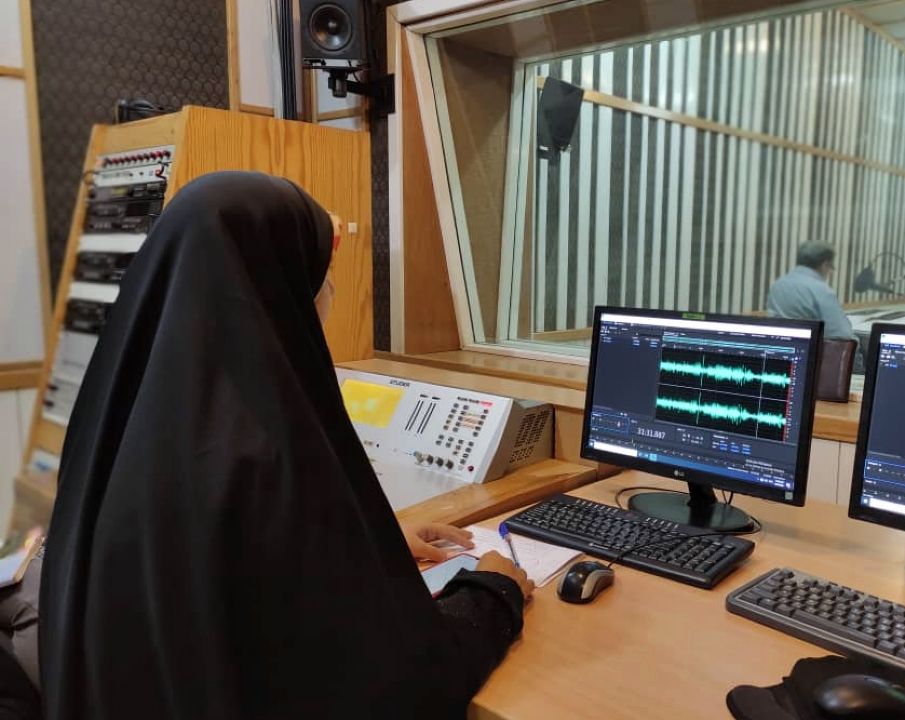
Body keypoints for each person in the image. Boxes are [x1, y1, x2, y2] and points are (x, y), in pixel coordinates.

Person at [39, 171, 534, 719]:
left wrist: (370, 546)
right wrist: (493, 594)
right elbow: (394, 686)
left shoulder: (119, 419)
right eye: (319, 271)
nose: (330, 290)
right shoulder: (264, 455)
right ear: (270, 284)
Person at [766, 243, 855, 340]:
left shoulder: (778, 285)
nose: (831, 272)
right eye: (831, 267)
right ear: (825, 264)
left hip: (780, 344)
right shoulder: (821, 290)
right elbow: (842, 334)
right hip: (810, 347)